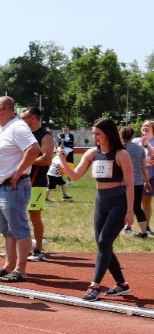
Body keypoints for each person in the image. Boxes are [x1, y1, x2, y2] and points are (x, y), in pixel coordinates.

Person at [57, 118, 134, 301]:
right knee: (103, 243)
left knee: (104, 241)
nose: (94, 137)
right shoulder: (92, 153)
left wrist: (130, 211)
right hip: (101, 202)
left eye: (97, 134)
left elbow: (130, 185)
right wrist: (63, 162)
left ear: (108, 134)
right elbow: (75, 176)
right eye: (93, 133)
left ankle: (95, 286)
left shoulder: (121, 154)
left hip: (118, 202)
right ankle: (122, 285)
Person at [0, 96, 41, 283]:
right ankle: (9, 266)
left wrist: (17, 173)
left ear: (2, 109)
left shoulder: (17, 127)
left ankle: (21, 270)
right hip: (2, 187)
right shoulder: (5, 128)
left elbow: (34, 149)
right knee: (7, 231)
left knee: (19, 230)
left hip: (13, 186)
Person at [20, 107, 55, 261]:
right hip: (22, 180)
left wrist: (26, 161)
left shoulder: (45, 136)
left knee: (34, 215)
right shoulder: (24, 134)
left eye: (24, 118)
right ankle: (22, 248)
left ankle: (39, 250)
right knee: (19, 215)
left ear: (32, 118)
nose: (22, 121)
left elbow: (47, 159)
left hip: (37, 182)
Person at [120, 126, 150, 237]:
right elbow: (144, 168)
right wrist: (147, 181)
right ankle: (144, 232)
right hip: (137, 182)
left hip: (122, 182)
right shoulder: (140, 149)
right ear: (132, 136)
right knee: (137, 207)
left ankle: (124, 228)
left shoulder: (119, 148)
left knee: (121, 206)